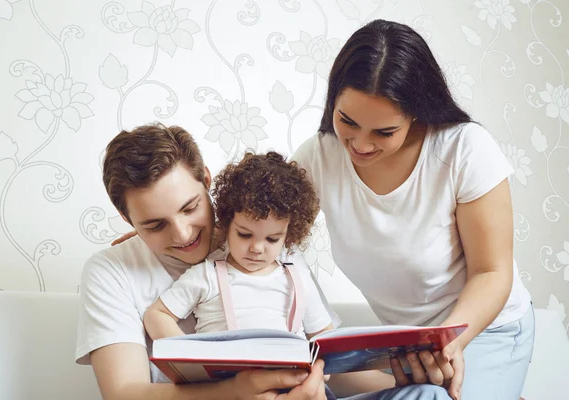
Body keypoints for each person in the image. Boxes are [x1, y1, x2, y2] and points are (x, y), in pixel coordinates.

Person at [75, 123, 450, 400]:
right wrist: (235, 391)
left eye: (190, 208)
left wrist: (406, 379)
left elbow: (324, 357)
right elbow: (125, 394)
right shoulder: (111, 272)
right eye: (154, 225)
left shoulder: (265, 240)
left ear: (206, 181)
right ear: (128, 221)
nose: (183, 234)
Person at [291, 19, 535, 400]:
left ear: (417, 114)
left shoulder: (463, 150)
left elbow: (492, 272)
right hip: (407, 348)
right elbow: (267, 225)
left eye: (383, 132)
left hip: (484, 330)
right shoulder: (319, 156)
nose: (360, 144)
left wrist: (446, 344)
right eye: (347, 122)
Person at [143, 151, 334, 341]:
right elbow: (156, 315)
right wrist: (193, 360)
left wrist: (320, 371)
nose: (257, 248)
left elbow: (325, 337)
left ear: (289, 234)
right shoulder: (207, 276)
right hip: (226, 371)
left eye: (272, 239)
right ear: (226, 224)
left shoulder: (298, 277)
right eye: (244, 234)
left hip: (294, 369)